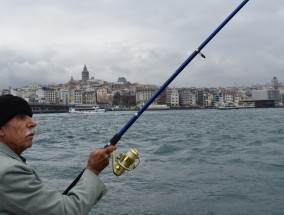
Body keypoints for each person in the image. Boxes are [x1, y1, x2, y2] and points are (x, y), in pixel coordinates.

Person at [0, 94, 117, 215]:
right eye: (21, 117)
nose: (33, 123)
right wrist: (93, 170)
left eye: (30, 116)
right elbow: (67, 211)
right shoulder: (9, 172)